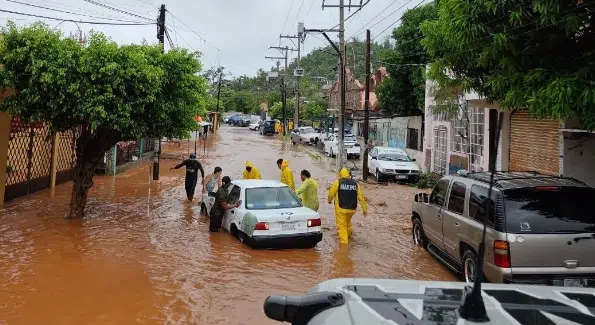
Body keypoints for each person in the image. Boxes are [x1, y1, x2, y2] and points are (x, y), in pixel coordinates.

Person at [328, 168, 367, 245]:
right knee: (348, 223)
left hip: (341, 209)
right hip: (352, 209)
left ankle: (344, 247)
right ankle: (349, 237)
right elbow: (361, 197)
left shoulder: (338, 182)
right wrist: (364, 209)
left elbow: (331, 193)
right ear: (349, 174)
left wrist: (329, 200)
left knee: (341, 226)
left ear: (340, 174)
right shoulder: (355, 184)